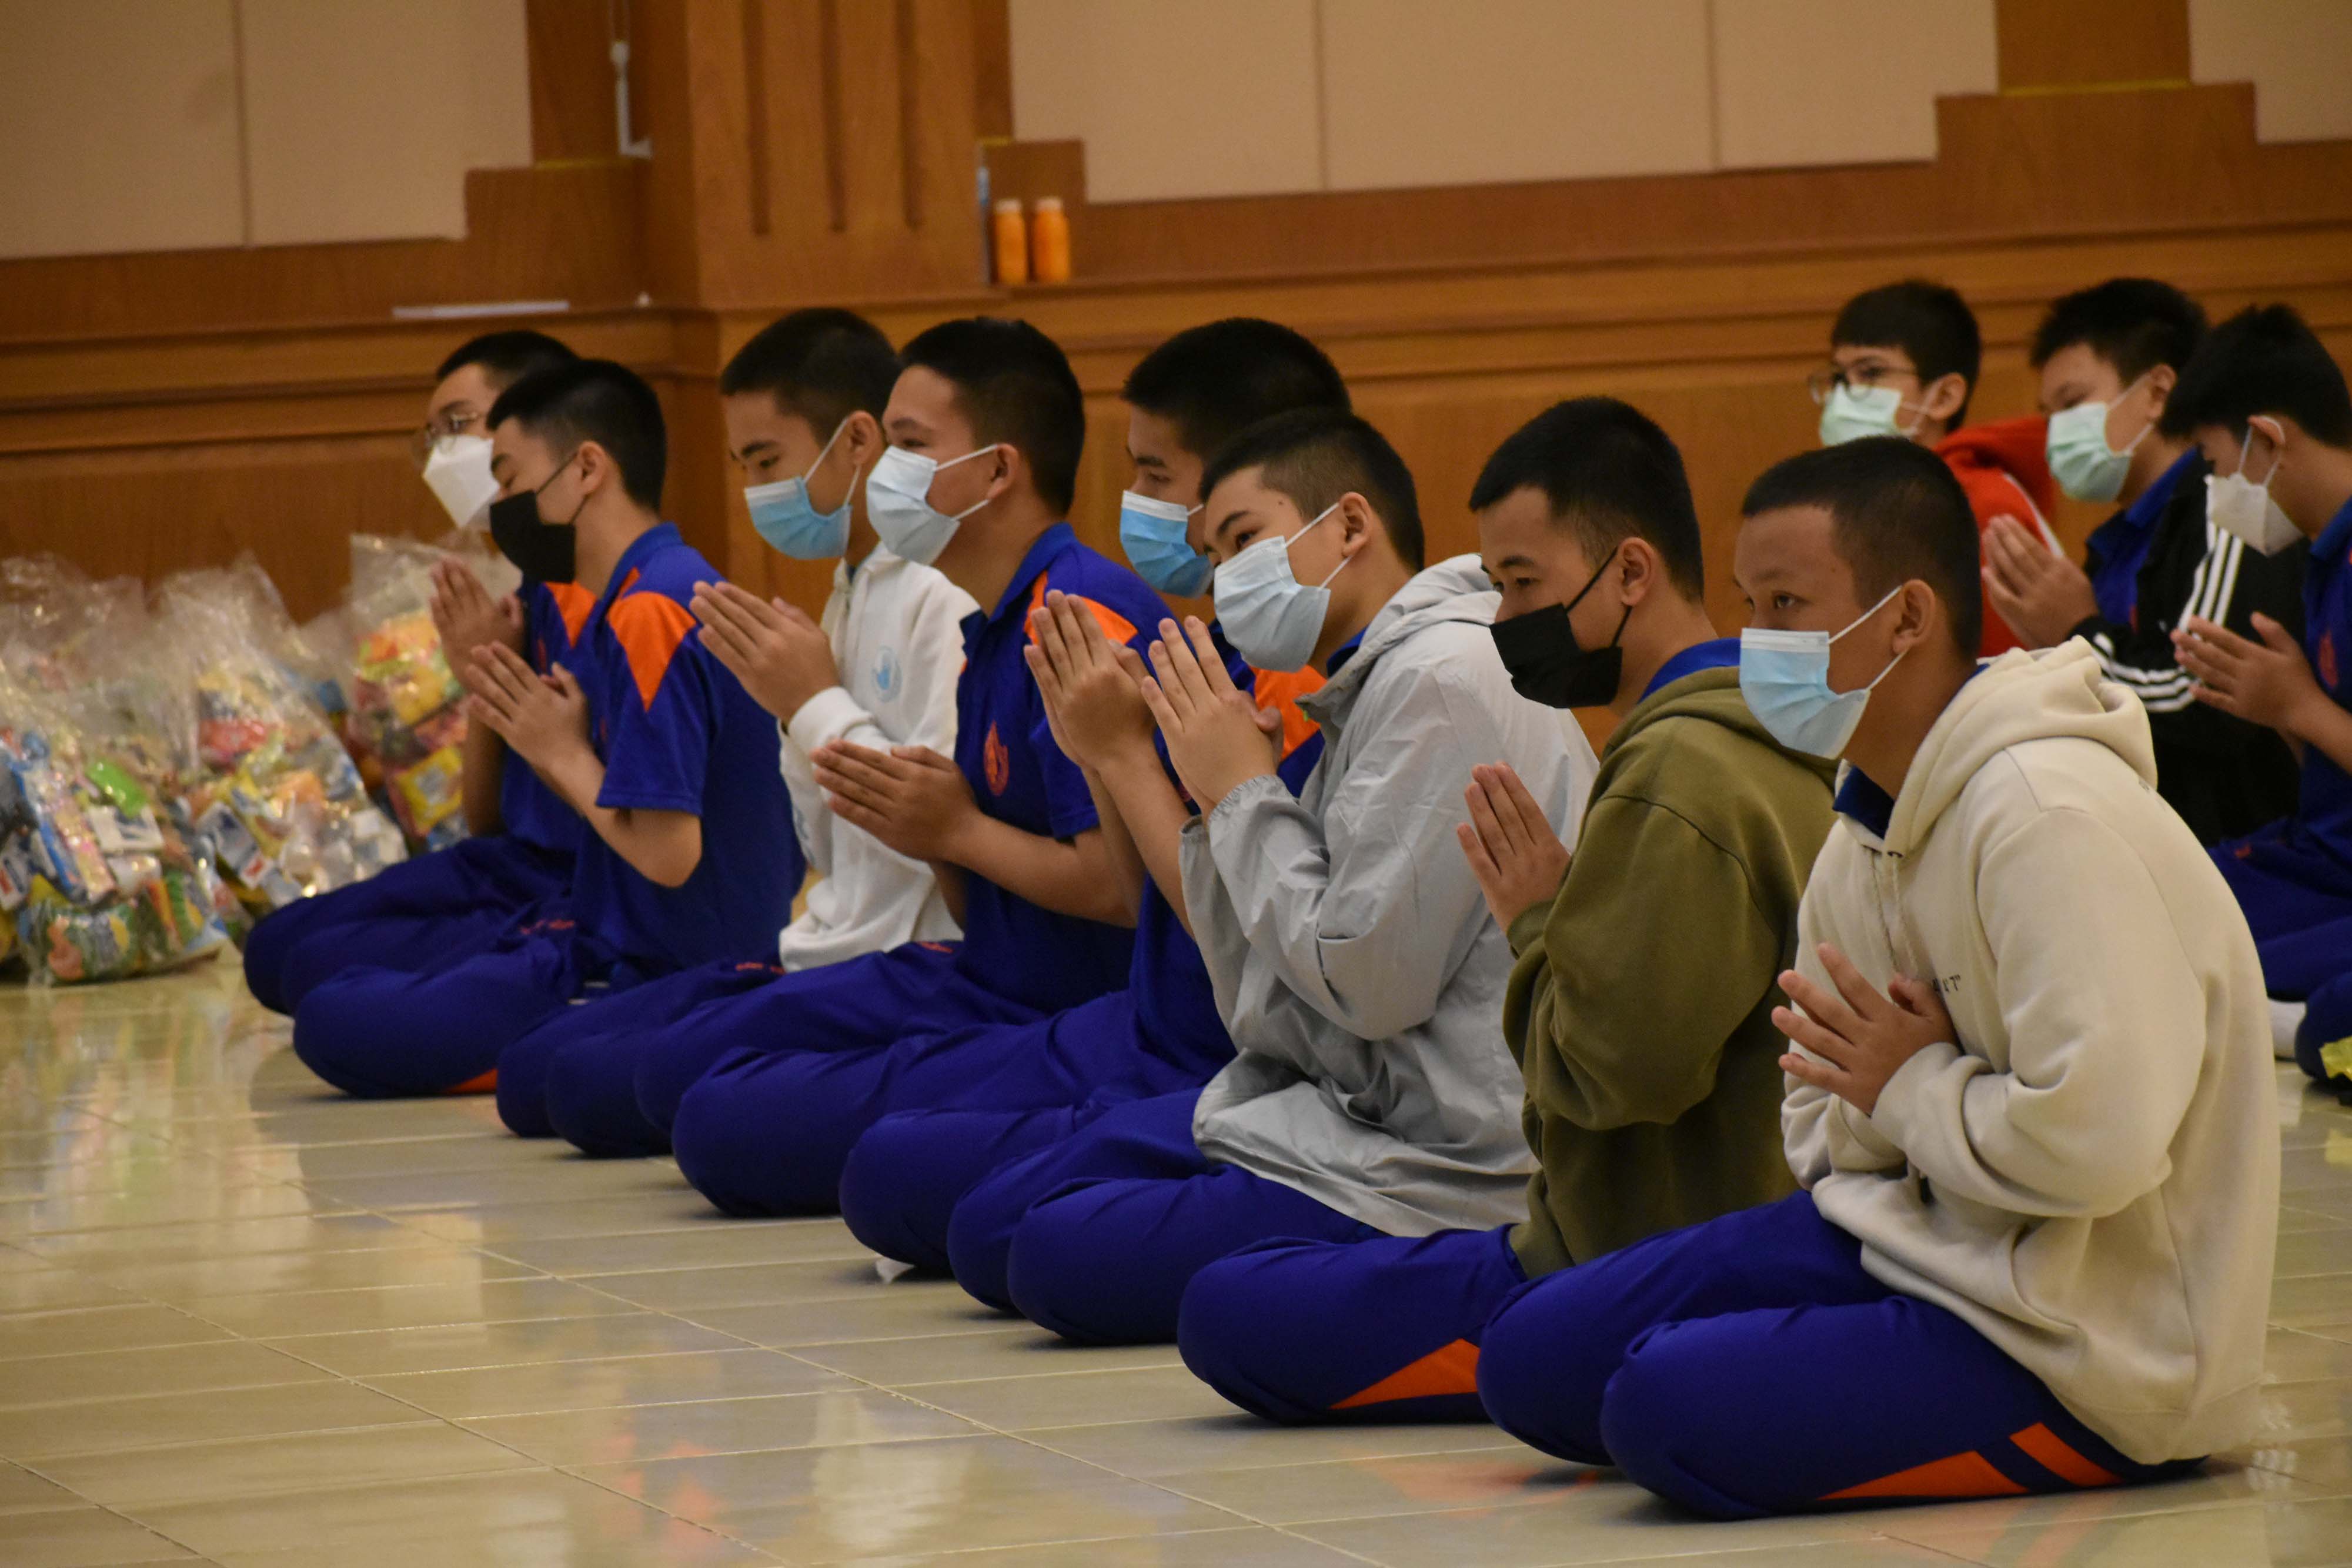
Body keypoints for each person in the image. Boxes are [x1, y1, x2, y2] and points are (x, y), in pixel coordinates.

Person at [1474, 437, 2276, 1519]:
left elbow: (2102, 1146)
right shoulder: (1862, 820)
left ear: (1906, 618)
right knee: (1533, 1353)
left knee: (1662, 1406)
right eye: (1751, 604)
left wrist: (1909, 1085)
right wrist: (1904, 1096)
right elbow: (1814, 1123)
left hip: (2088, 1336)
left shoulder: (2049, 815)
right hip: (1907, 1237)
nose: (1760, 642)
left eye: (1790, 605)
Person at [1174, 398, 1836, 1423]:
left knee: (1233, 1308)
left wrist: (1536, 923)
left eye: (1523, 582)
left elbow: (1617, 1075)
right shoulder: (1700, 742)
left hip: (1618, 1234)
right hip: (1623, 1212)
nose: (1503, 613)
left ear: (1629, 571)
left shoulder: (1681, 770)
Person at [943, 408, 1594, 1346]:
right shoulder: (1376, 680)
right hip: (1335, 1098)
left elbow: (1365, 984)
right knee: (989, 1222)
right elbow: (1256, 968)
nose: (1222, 582)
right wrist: (1183, 779)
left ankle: (1482, 1298)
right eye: (1212, 557)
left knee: (1055, 1252)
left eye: (1243, 539)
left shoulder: (1445, 677)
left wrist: (1238, 787)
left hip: (1434, 1157)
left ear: (1350, 524)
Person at [593, 317, 1170, 1209]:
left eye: (908, 445)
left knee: (727, 1124)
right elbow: (971, 888)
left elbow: (1118, 890)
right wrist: (943, 832)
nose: (885, 473)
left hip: (1072, 1003)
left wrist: (955, 830)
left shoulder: (1077, 617)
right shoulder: (993, 619)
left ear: (997, 470)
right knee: (675, 1075)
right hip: (988, 975)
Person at [834, 317, 1353, 1270]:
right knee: (887, 1161)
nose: (1142, 507)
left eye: (1157, 475)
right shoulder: (1214, 649)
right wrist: (1102, 758)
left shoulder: (1296, 681)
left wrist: (1104, 765)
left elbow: (1228, 926)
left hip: (1220, 1053)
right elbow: (1146, 889)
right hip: (1134, 1024)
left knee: (989, 1222)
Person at [492, 308, 974, 1144]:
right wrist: (795, 712)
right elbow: (821, 844)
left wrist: (812, 703)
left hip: (904, 960)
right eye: (743, 465)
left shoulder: (940, 596)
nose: (756, 491)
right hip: (817, 943)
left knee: (621, 1090)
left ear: (858, 442)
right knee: (553, 1072)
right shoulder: (846, 591)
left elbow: (932, 836)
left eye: (768, 462)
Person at [290, 360, 801, 1097]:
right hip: (605, 934)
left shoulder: (653, 609)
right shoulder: (633, 592)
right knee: (333, 996)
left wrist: (559, 752)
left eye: (509, 481)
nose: (501, 507)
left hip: (687, 965)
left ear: (587, 468)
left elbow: (669, 855)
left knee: (382, 1036)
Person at [241, 329, 582, 1014]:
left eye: (457, 425)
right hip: (508, 866)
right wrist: (483, 680)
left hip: (577, 891)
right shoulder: (533, 587)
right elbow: (486, 823)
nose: (442, 456)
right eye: (430, 438)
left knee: (323, 988)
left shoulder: (613, 596)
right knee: (272, 948)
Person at [1981, 278, 2304, 844]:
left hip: (2238, 846)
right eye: (2048, 415)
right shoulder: (2117, 540)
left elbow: (2207, 694)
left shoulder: (2226, 501)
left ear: (2157, 391)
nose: (2056, 434)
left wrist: (2077, 634)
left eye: (2072, 404)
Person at [2165, 305, 2352, 1085]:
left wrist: (2298, 705)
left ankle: (2267, 1017)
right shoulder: (2324, 556)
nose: (2216, 489)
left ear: (2268, 440)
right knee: (2155, 900)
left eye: (2216, 464)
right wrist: (2280, 710)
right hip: (2323, 859)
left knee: (2326, 1020)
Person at [1812, 279, 2059, 656]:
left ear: (1944, 396)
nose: (1845, 396)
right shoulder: (1863, 503)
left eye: (1871, 373)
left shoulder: (1984, 507)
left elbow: (2006, 667)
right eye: (1839, 378)